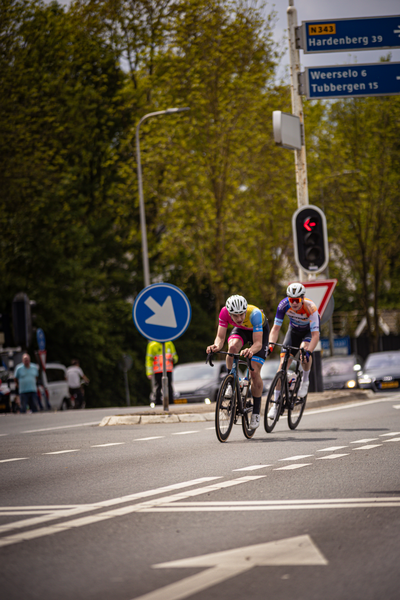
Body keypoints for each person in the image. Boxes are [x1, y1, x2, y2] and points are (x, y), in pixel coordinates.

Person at [206, 294, 269, 430]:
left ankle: (256, 413)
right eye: (235, 316)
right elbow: (220, 338)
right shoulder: (224, 313)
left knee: (254, 372)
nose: (239, 318)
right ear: (229, 313)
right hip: (242, 331)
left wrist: (250, 350)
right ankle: (231, 381)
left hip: (259, 333)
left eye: (242, 314)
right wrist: (216, 346)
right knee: (232, 348)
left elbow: (258, 343)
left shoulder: (255, 314)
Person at [267, 282, 320, 420]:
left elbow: (315, 336)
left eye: (297, 300)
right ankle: (275, 405)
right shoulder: (283, 305)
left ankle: (305, 381)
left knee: (304, 352)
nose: (294, 303)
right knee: (281, 367)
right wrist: (271, 345)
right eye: (291, 300)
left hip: (308, 332)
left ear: (302, 298)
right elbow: (275, 329)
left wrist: (309, 351)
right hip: (294, 331)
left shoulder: (311, 308)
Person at [146, 340, 178, 406]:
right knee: (158, 386)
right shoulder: (152, 345)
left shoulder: (169, 343)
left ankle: (171, 402)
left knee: (169, 386)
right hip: (158, 370)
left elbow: (175, 356)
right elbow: (149, 360)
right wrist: (149, 372)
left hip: (168, 369)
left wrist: (173, 359)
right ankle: (157, 402)